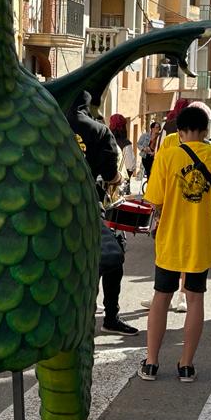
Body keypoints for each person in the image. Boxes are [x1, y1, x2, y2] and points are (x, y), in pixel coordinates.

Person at [139, 106, 211, 383]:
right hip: (199, 242)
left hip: (170, 240)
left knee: (161, 298)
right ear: (205, 132)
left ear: (180, 131)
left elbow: (155, 201)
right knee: (195, 299)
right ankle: (186, 365)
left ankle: (152, 363)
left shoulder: (167, 155)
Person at [66, 92, 137, 335]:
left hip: (54, 208)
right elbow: (111, 175)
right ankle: (109, 316)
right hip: (89, 206)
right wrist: (116, 178)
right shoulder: (99, 130)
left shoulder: (50, 125)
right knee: (110, 256)